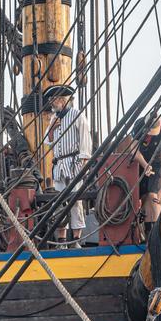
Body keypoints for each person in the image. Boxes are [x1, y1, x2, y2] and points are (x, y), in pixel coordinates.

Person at [43, 85, 92, 246]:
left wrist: (84, 165)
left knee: (75, 201)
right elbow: (47, 142)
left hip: (74, 163)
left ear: (63, 100)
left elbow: (85, 140)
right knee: (59, 203)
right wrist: (51, 130)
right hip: (59, 165)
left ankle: (76, 239)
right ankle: (62, 240)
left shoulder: (77, 116)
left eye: (54, 100)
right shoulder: (53, 118)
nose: (52, 103)